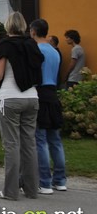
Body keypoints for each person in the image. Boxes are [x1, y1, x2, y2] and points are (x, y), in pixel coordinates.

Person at [0, 12, 43, 200]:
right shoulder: (32, 45)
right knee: (29, 144)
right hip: (32, 97)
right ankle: (31, 189)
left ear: (7, 26)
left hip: (10, 97)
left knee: (11, 145)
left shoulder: (6, 45)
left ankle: (10, 191)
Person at [31, 19, 67, 194]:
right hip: (53, 94)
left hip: (40, 93)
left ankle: (44, 182)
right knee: (56, 140)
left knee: (40, 140)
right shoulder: (55, 51)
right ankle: (60, 180)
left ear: (33, 31)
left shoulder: (36, 50)